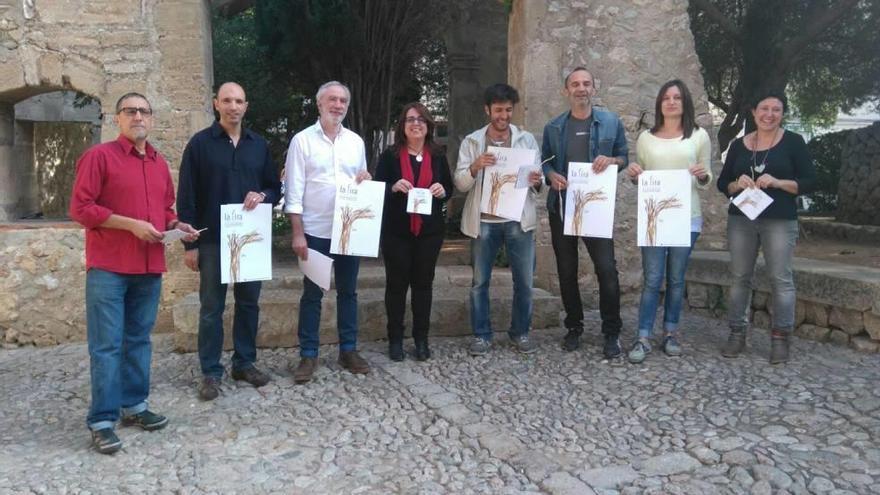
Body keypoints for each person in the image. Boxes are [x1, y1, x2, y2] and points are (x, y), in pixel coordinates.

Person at [69, 92, 199, 454]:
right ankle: (102, 420)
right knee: (107, 346)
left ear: (151, 119)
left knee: (139, 340)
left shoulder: (158, 163)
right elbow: (81, 208)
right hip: (109, 267)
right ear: (118, 119)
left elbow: (163, 210)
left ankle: (135, 406)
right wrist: (130, 226)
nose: (138, 116)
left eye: (144, 111)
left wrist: (177, 224)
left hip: (148, 266)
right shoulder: (99, 157)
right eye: (131, 111)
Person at [177, 82, 281, 400]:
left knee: (249, 304)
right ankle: (210, 372)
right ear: (215, 104)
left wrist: (262, 194)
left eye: (238, 101)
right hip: (211, 240)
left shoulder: (258, 145)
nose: (233, 106)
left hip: (250, 239)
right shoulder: (199, 144)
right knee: (211, 308)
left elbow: (275, 188)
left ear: (246, 106)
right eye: (227, 100)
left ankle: (244, 363)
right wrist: (190, 245)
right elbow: (187, 196)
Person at [716, 91, 816, 364]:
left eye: (776, 109)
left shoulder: (793, 142)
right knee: (739, 277)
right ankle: (737, 333)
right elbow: (723, 183)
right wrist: (738, 183)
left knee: (780, 278)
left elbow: (809, 181)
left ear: (783, 113)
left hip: (780, 220)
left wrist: (779, 182)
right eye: (764, 108)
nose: (769, 114)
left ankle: (781, 337)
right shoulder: (738, 145)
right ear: (754, 112)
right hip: (741, 219)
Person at [284, 81, 372, 383]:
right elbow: (293, 190)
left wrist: (365, 180)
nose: (338, 105)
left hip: (349, 229)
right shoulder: (302, 141)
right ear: (319, 104)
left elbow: (360, 184)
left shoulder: (356, 142)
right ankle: (308, 355)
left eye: (343, 100)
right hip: (316, 231)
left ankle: (348, 349)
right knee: (312, 295)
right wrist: (298, 233)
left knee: (349, 292)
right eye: (332, 100)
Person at [541, 67, 629, 359]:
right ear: (567, 90)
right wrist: (551, 175)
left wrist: (612, 159)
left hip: (595, 208)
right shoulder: (554, 127)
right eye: (575, 84)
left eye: (586, 84)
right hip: (562, 207)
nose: (581, 88)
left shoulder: (610, 122)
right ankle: (574, 327)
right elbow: (545, 162)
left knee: (606, 269)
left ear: (594, 88)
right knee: (567, 271)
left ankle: (611, 331)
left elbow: (624, 158)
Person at [624, 80, 712, 363]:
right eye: (666, 98)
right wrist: (635, 173)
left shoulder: (699, 136)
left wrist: (701, 175)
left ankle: (671, 332)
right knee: (652, 279)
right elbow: (643, 177)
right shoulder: (646, 139)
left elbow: (707, 179)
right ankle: (643, 337)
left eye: (676, 97)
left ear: (685, 102)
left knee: (676, 280)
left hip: (687, 219)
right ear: (659, 103)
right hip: (655, 218)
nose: (671, 102)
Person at [454, 83, 543, 356]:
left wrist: (536, 181)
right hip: (484, 220)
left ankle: (520, 332)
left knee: (524, 281)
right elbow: (459, 183)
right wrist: (475, 166)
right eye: (498, 110)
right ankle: (482, 335)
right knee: (480, 282)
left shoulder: (526, 140)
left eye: (507, 110)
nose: (503, 116)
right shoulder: (472, 141)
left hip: (517, 219)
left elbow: (537, 184)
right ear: (487, 110)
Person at [375, 103, 452, 361]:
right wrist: (392, 186)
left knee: (423, 286)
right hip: (396, 232)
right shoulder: (390, 156)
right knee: (396, 286)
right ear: (402, 125)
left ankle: (421, 339)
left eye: (420, 119)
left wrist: (442, 191)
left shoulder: (438, 154)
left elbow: (449, 189)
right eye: (410, 119)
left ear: (428, 124)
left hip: (429, 233)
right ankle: (395, 339)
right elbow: (377, 189)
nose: (415, 123)